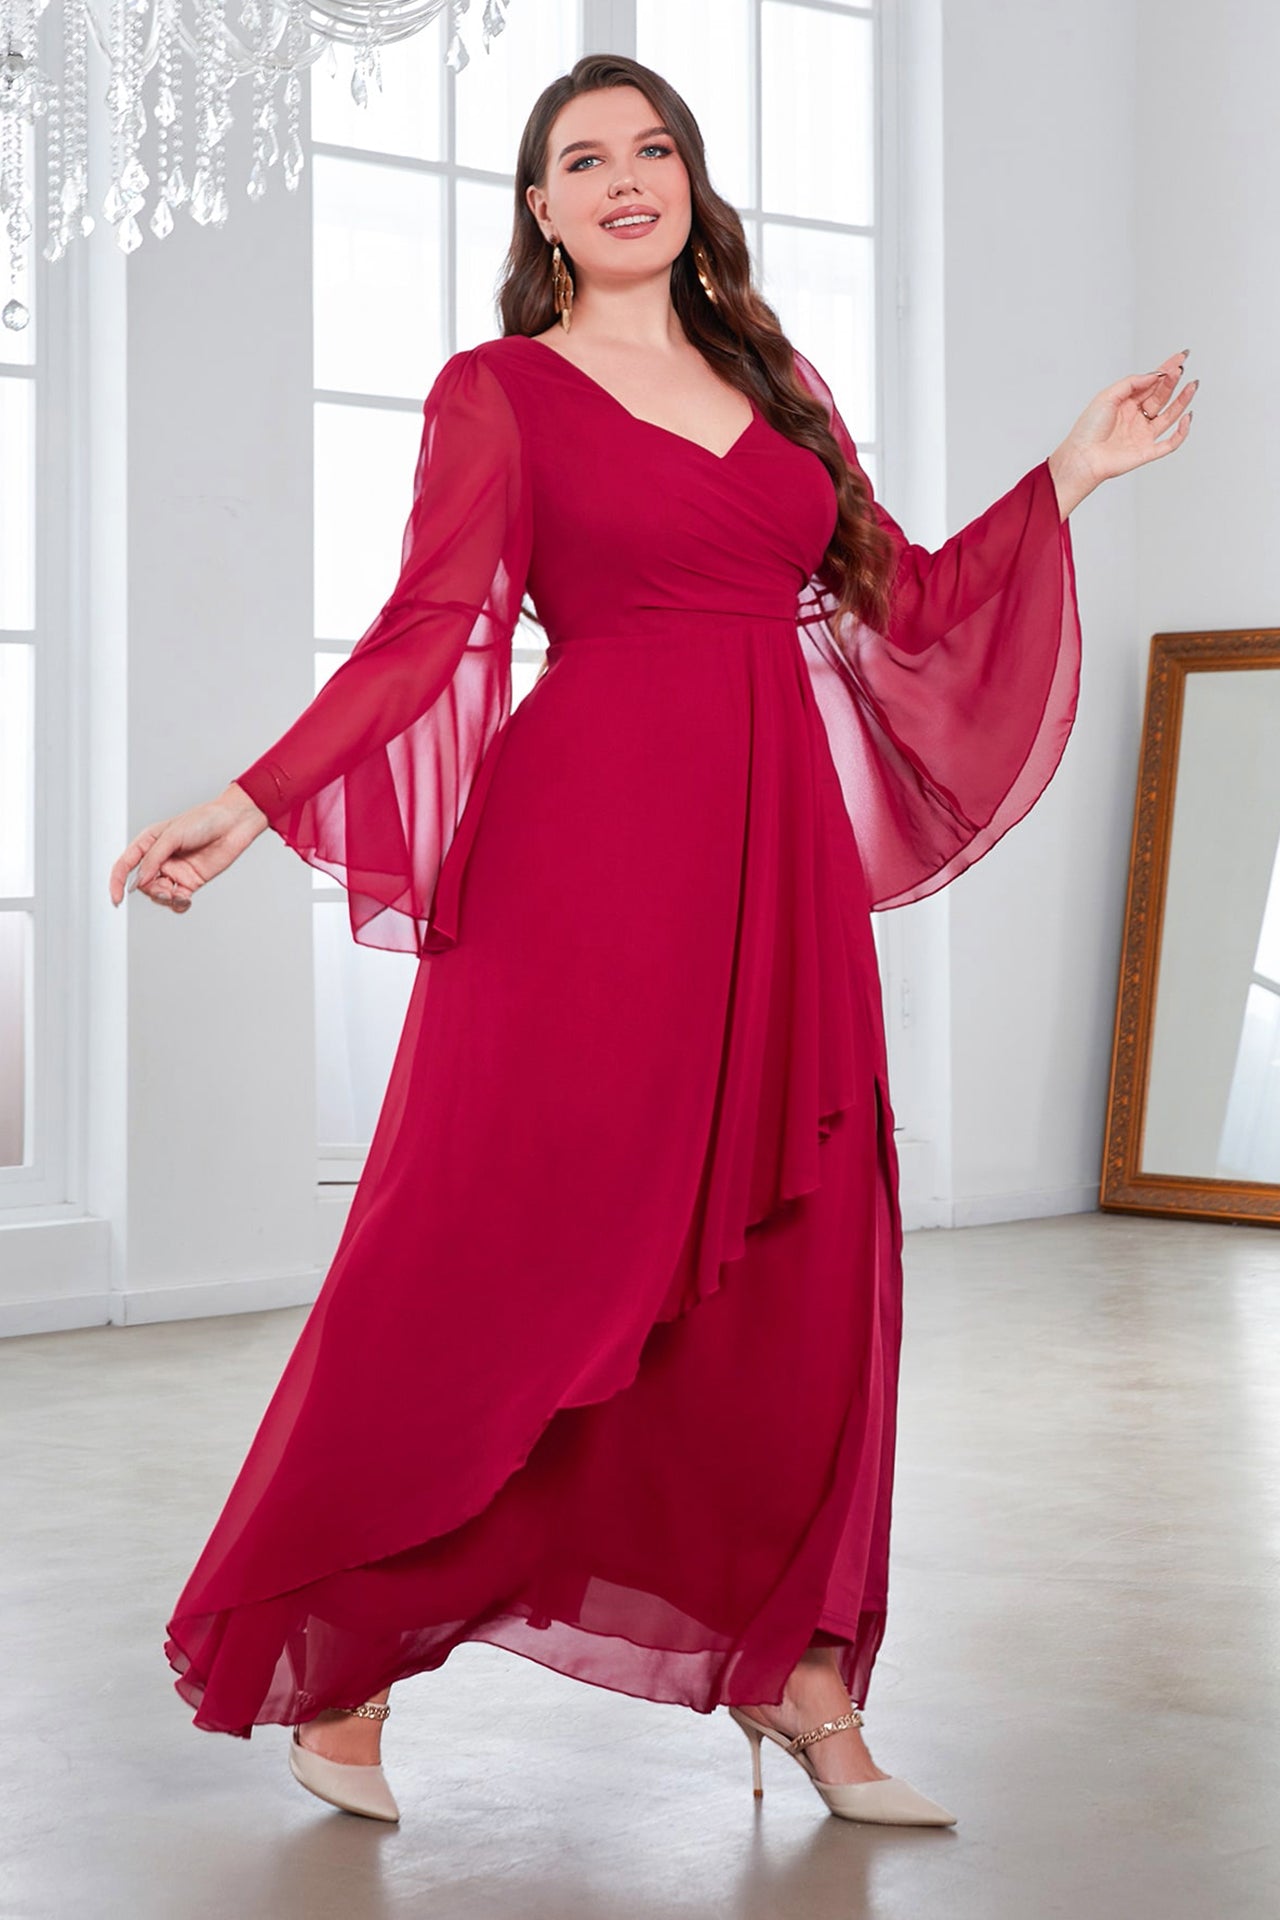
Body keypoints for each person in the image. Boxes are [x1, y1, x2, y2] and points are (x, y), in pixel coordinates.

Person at [109, 53, 1194, 1830]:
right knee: (483, 1251)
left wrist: (1072, 468)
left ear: (690, 183)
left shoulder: (776, 384)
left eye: (655, 148)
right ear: (541, 209)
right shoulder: (499, 393)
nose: (627, 177)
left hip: (776, 878)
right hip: (581, 867)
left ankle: (803, 1680)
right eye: (584, 158)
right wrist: (252, 799)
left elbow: (906, 597)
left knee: (802, 1272)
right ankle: (343, 1669)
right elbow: (426, 631)